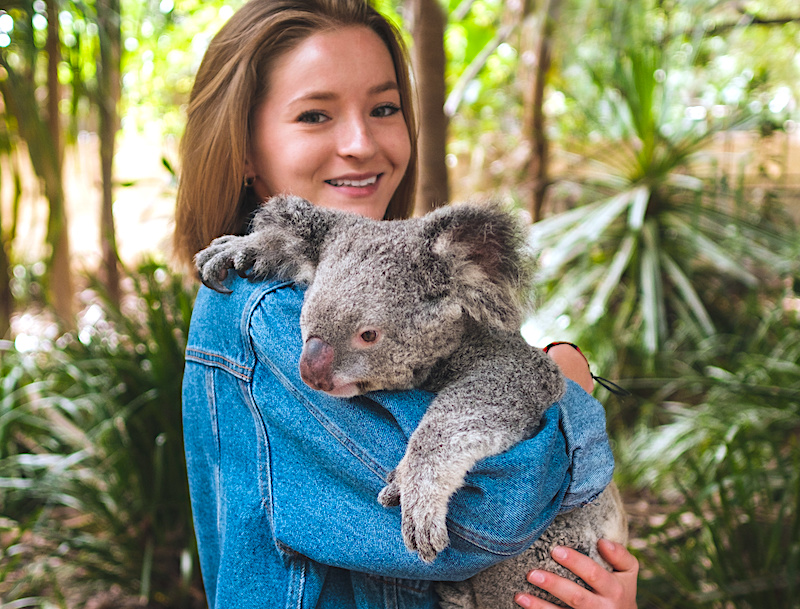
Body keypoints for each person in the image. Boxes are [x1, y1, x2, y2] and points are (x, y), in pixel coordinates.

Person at [172, 1, 639, 607]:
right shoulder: (266, 321)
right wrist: (567, 382)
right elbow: (489, 518)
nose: (360, 143)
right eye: (315, 115)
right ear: (240, 148)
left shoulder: (393, 269)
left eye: (384, 108)